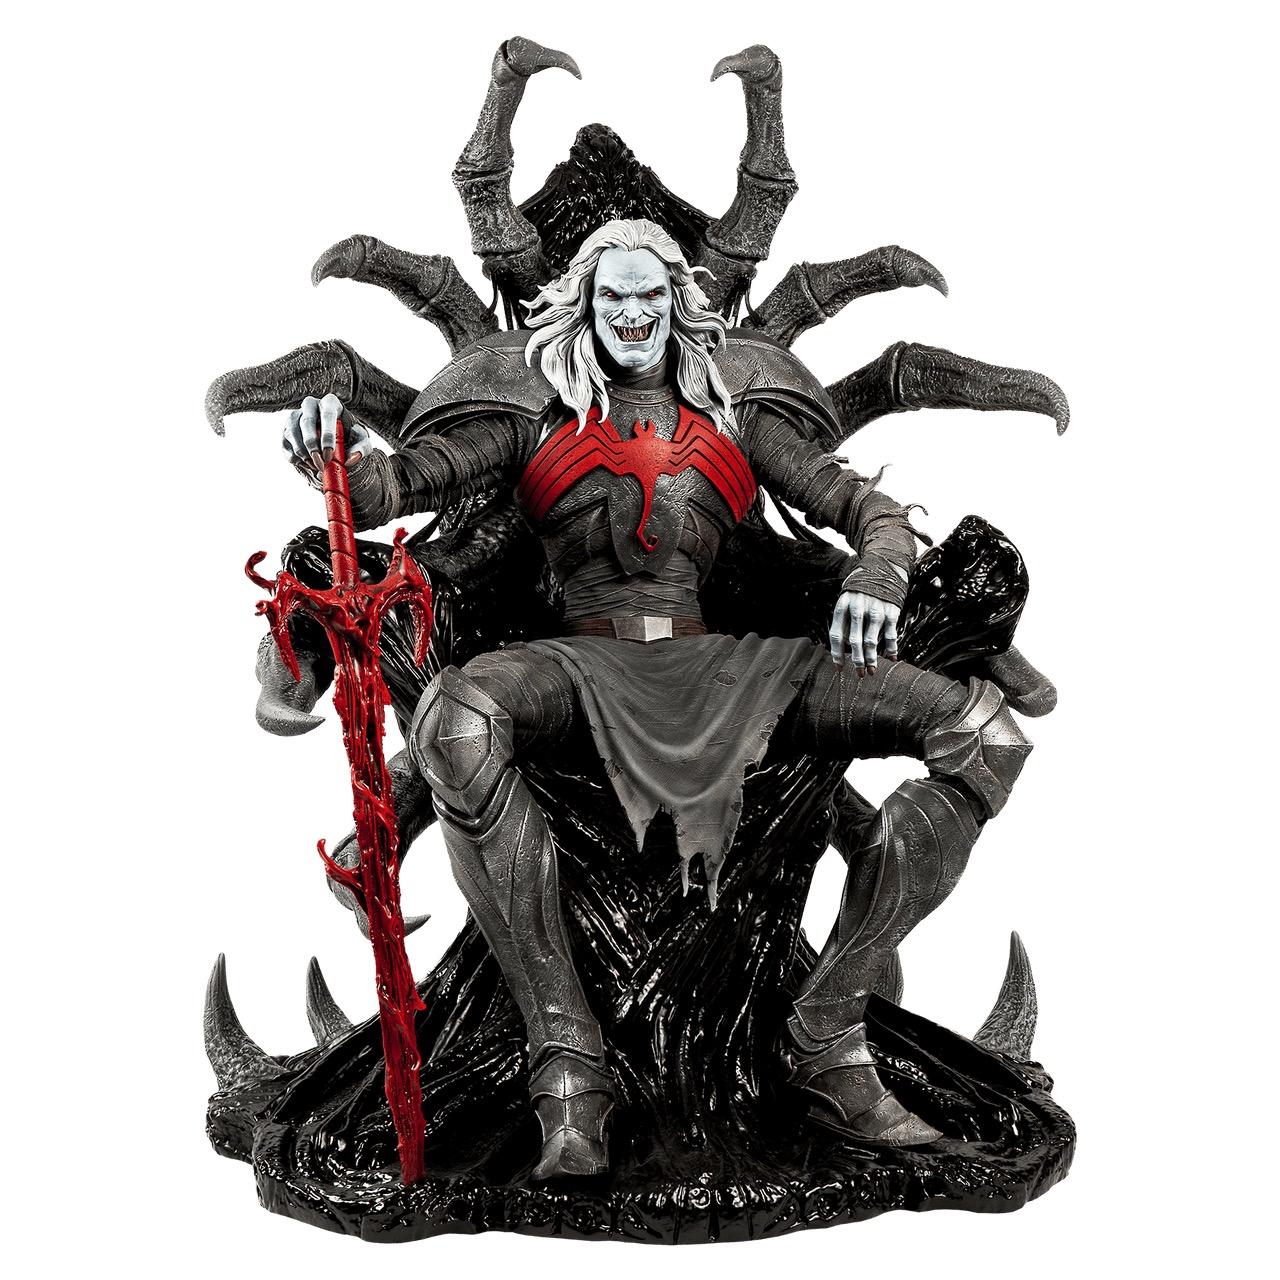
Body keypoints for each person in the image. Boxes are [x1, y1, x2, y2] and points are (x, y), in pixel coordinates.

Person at [283, 218, 1030, 1179]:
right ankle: (568, 1064)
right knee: (456, 721)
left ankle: (829, 1032)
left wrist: (878, 576)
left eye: (648, 296)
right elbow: (395, 486)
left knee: (985, 734)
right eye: (612, 296)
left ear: (678, 304)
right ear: (585, 306)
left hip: (722, 666)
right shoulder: (531, 414)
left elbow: (869, 509)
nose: (630, 314)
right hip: (578, 664)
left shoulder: (736, 415)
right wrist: (339, 456)